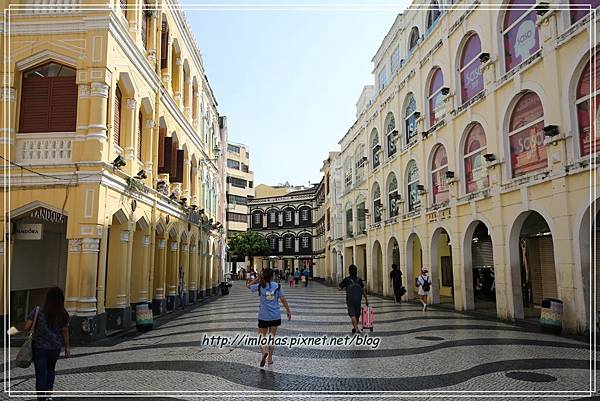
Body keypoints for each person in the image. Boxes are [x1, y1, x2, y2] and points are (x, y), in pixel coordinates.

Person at [24, 287, 70, 401]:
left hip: (39, 347)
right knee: (51, 370)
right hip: (54, 347)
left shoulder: (38, 310)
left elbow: (27, 327)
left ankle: (41, 398)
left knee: (40, 374)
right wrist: (67, 348)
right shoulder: (62, 313)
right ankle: (49, 395)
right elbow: (65, 331)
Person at [246, 268, 292, 368]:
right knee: (272, 337)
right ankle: (270, 359)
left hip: (263, 315)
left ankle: (263, 353)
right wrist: (288, 310)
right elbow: (283, 299)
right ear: (272, 276)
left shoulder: (260, 286)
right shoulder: (277, 286)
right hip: (275, 315)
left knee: (261, 337)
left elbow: (248, 286)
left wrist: (257, 278)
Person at [338, 264, 369, 334]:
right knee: (357, 315)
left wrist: (345, 288)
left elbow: (339, 288)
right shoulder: (359, 280)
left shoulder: (346, 279)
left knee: (352, 314)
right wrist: (366, 300)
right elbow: (363, 290)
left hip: (350, 300)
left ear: (349, 271)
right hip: (358, 300)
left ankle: (356, 328)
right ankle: (355, 327)